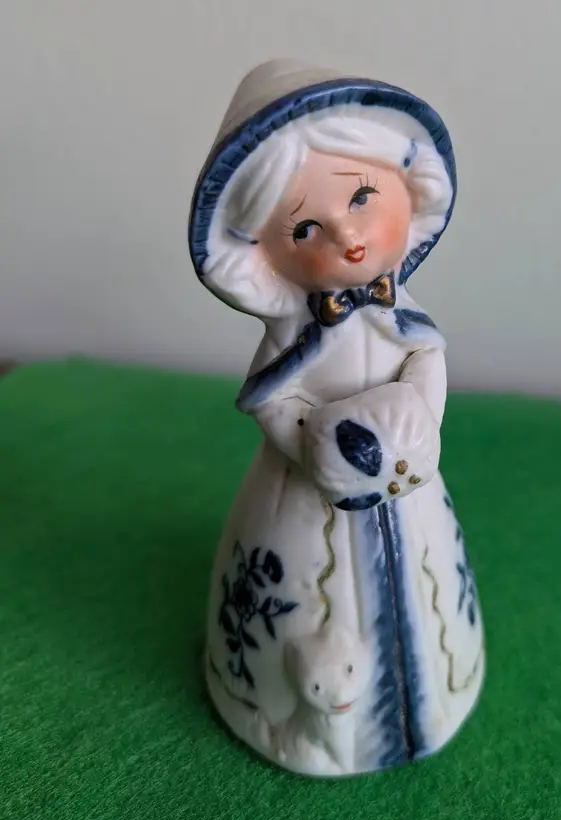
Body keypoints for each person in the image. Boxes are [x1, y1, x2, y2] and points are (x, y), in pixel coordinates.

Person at [189, 59, 484, 777]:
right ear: (264, 254)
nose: (346, 237)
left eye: (360, 197)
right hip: (305, 494)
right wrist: (315, 447)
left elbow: (426, 360)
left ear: (408, 190)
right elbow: (274, 400)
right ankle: (294, 720)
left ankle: (435, 696)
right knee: (294, 603)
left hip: (407, 484)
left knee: (428, 586)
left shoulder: (400, 316)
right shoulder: (293, 337)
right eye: (304, 228)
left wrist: (418, 419)